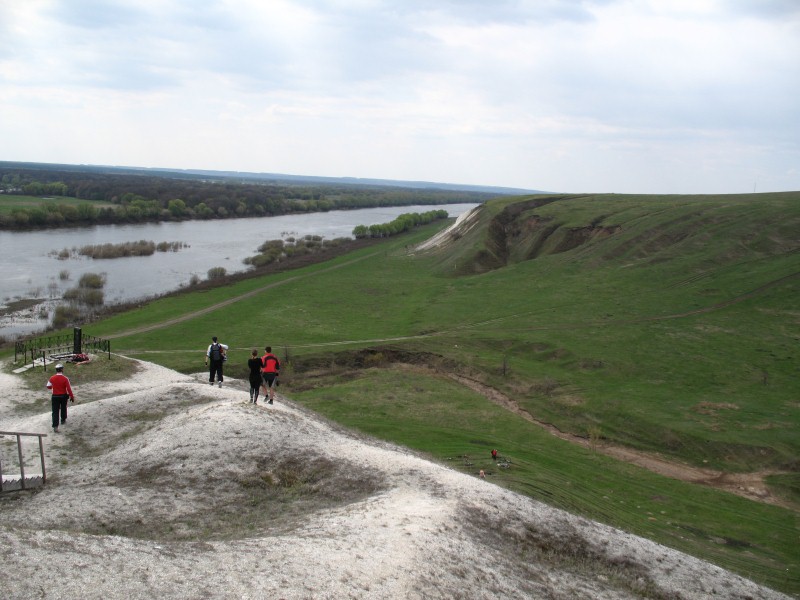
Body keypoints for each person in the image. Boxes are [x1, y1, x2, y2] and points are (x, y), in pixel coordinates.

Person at [47, 363, 75, 433]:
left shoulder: (52, 378)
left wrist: (53, 387)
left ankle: (55, 426)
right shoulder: (65, 378)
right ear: (62, 369)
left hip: (55, 396)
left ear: (56, 370)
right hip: (63, 396)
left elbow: (48, 386)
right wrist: (72, 396)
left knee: (55, 411)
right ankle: (63, 419)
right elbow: (69, 388)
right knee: (63, 408)